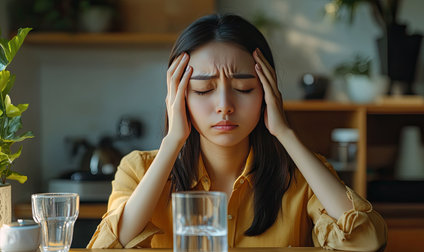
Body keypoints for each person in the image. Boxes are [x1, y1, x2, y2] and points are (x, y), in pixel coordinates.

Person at [87, 14, 387, 251]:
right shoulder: (138, 169)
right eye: (203, 90)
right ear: (178, 97)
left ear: (268, 92)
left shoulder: (303, 178)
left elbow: (367, 240)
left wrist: (284, 132)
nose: (225, 106)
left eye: (244, 88)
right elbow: (106, 247)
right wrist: (172, 142)